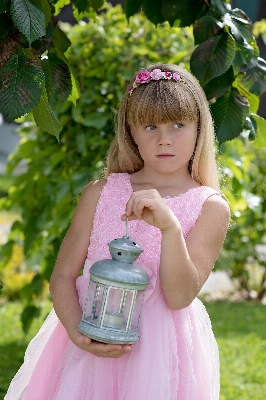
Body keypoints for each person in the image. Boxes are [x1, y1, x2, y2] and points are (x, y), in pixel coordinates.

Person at [5, 63, 230, 400]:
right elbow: (63, 275)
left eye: (178, 125)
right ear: (131, 131)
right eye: (150, 126)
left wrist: (170, 228)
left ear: (199, 128)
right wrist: (78, 333)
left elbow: (180, 296)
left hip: (161, 355)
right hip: (89, 342)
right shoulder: (102, 192)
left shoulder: (209, 206)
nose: (164, 139)